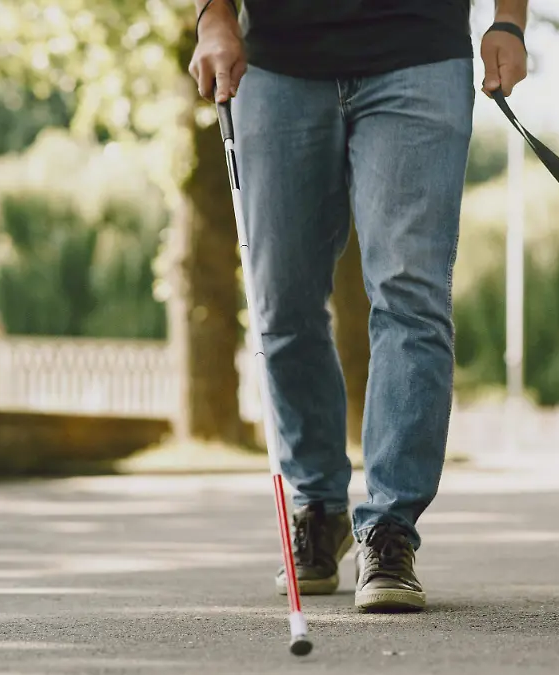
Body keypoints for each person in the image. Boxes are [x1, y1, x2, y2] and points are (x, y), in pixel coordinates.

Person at [187, 0, 529, 612]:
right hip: (278, 63)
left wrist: (508, 20)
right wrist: (213, 16)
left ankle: (390, 527)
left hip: (419, 53)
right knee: (282, 302)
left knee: (411, 295)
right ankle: (318, 506)